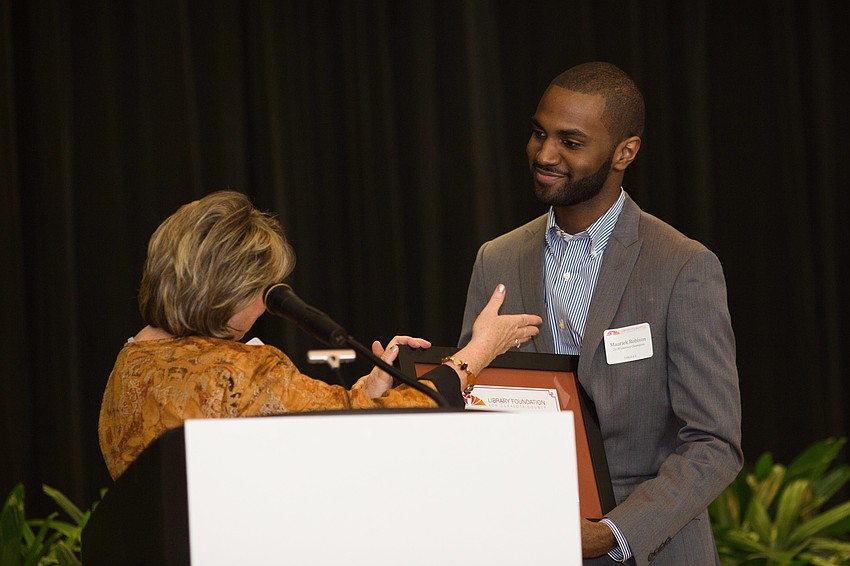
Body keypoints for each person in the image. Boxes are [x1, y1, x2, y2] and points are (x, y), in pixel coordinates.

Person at [459, 62, 742, 565]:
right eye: (539, 133)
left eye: (570, 142)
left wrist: (615, 532)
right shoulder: (496, 259)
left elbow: (714, 443)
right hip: (530, 545)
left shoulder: (683, 266)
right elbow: (474, 411)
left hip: (654, 549)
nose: (545, 155)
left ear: (624, 152)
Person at [99, 190, 541, 480]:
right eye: (262, 294)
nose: (261, 309)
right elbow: (388, 432)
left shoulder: (128, 364)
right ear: (227, 291)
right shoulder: (239, 369)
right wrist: (475, 354)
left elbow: (318, 424)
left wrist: (367, 391)